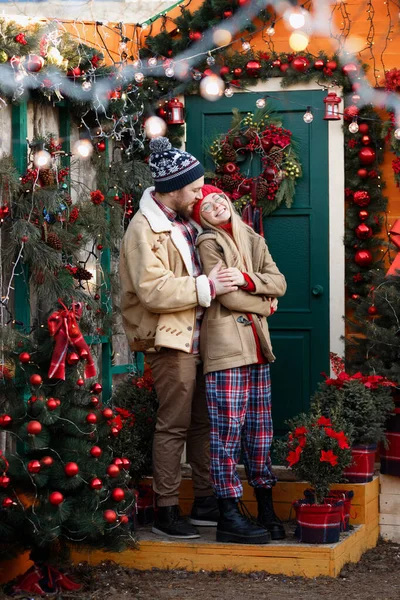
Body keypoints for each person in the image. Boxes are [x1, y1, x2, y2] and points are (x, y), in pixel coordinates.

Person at [119, 138, 237, 540]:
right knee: (174, 424)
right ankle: (167, 510)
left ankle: (204, 500)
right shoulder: (143, 229)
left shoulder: (189, 220)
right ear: (172, 188)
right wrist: (205, 287)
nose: (201, 193)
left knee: (203, 422)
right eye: (194, 187)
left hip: (206, 337)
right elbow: (152, 290)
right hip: (170, 341)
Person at [192, 184, 287, 545]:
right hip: (227, 349)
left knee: (260, 433)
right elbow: (228, 299)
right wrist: (265, 304)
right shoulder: (209, 241)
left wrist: (249, 279)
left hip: (258, 348)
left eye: (218, 199)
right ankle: (229, 513)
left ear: (227, 201)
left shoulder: (252, 238)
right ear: (201, 216)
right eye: (206, 205)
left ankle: (265, 507)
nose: (215, 205)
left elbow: (279, 282)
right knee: (227, 433)